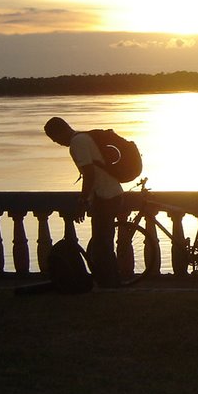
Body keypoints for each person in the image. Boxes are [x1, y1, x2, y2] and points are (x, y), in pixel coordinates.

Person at [44, 116, 123, 288]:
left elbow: (89, 174)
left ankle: (108, 283)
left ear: (60, 131)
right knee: (104, 242)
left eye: (55, 138)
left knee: (102, 244)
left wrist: (83, 201)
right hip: (113, 193)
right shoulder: (84, 137)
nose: (57, 142)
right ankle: (112, 280)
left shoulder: (77, 144)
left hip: (105, 197)